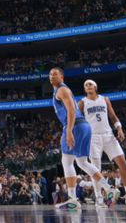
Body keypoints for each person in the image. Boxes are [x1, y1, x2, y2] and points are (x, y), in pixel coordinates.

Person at [48, 68, 119, 210]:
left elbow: (72, 110)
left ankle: (73, 199)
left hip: (75, 125)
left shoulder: (62, 90)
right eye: (50, 74)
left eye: (55, 74)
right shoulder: (61, 90)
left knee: (67, 161)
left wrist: (69, 130)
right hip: (84, 126)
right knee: (82, 162)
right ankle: (109, 189)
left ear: (62, 77)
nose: (51, 77)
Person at [79, 79, 126, 206]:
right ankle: (98, 198)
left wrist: (119, 128)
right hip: (93, 138)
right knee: (96, 169)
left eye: (90, 84)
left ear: (95, 86)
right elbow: (76, 119)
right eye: (86, 85)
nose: (88, 86)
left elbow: (113, 116)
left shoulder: (105, 99)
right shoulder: (82, 102)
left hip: (108, 135)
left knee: (123, 164)